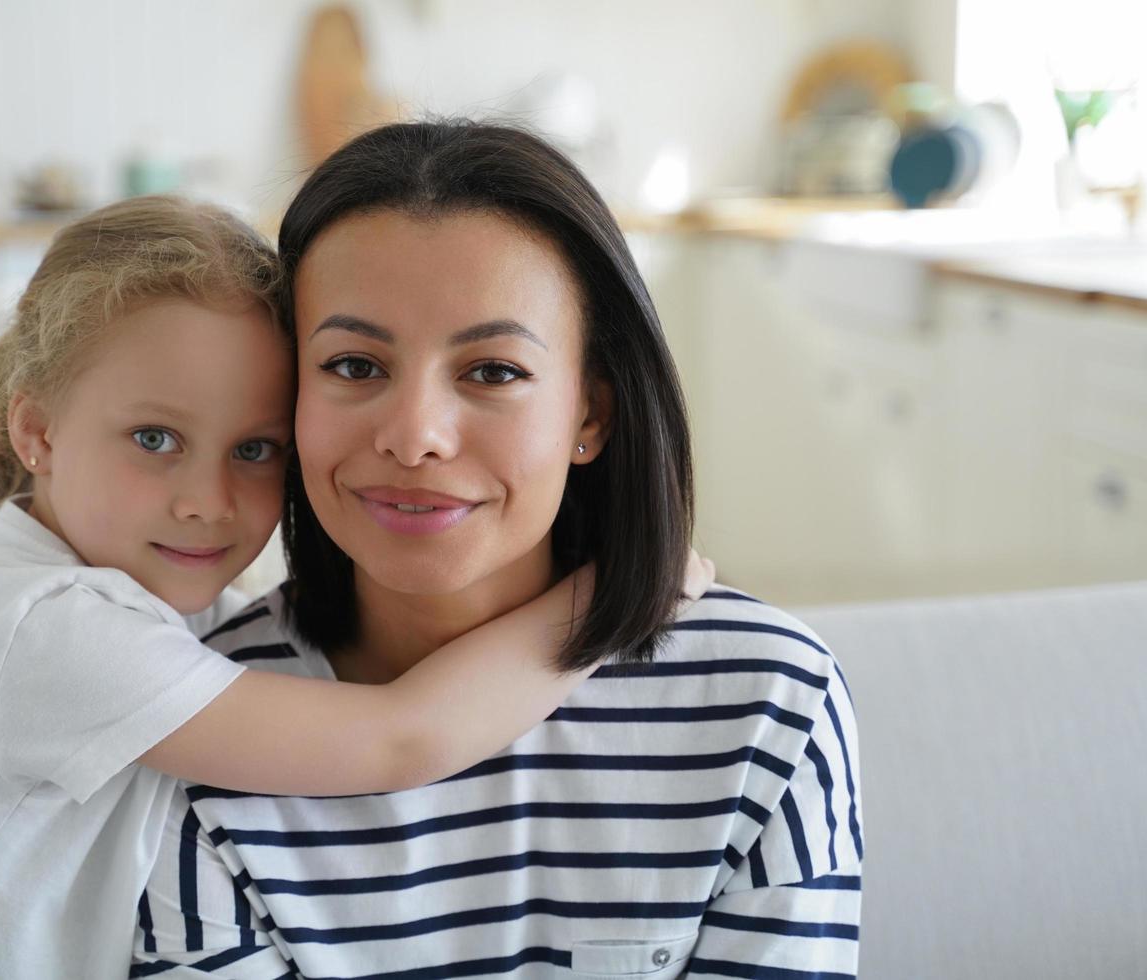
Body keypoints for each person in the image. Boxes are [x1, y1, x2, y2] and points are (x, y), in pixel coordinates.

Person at [0, 196, 711, 980]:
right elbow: (401, 737)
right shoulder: (49, 632)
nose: (206, 501)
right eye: (155, 439)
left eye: (255, 448)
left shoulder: (97, 608)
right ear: (37, 431)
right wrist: (612, 593)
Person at [132, 122, 863, 978]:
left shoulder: (768, 702)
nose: (415, 438)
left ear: (590, 414)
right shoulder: (195, 729)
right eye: (356, 365)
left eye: (493, 371)